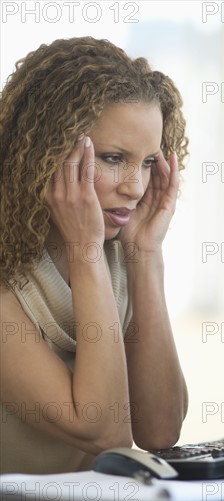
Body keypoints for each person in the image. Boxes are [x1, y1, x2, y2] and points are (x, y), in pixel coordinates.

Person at [0, 36, 189, 474]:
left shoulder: (118, 250)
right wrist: (85, 253)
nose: (136, 188)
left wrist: (146, 256)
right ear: (45, 154)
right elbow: (104, 432)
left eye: (147, 163)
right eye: (111, 158)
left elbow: (159, 431)